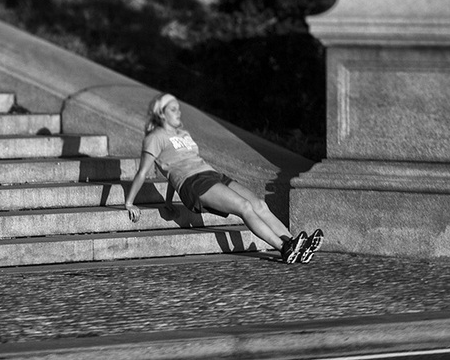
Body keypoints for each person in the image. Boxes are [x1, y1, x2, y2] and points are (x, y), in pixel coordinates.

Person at [125, 93, 323, 263]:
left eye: (178, 109)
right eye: (174, 109)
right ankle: (284, 248)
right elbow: (145, 171)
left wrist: (168, 200)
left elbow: (171, 166)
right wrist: (129, 203)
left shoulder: (183, 134)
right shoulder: (154, 138)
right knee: (244, 207)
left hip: (212, 174)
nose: (179, 112)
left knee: (259, 204)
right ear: (161, 113)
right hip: (193, 183)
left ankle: (295, 242)